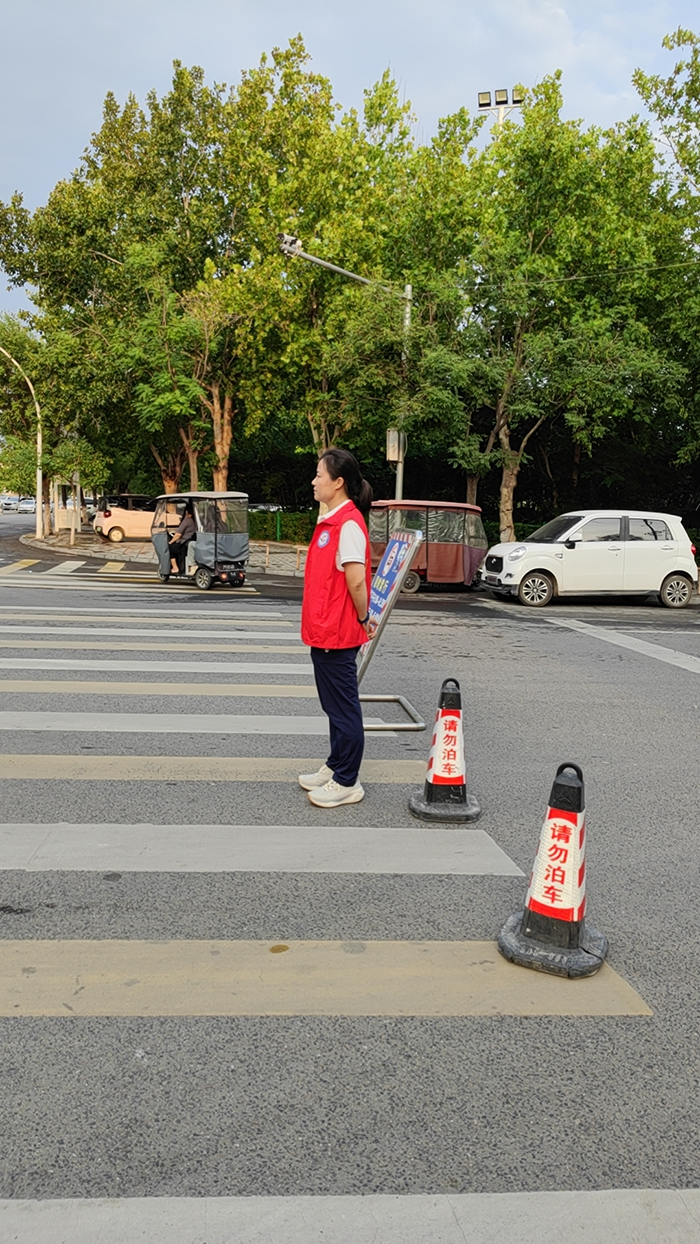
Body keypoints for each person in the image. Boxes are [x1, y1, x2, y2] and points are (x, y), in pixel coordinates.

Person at [299, 449, 378, 808]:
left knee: (345, 711)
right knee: (334, 708)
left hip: (337, 632)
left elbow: (357, 582)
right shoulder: (333, 520)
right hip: (324, 630)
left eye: (320, 475)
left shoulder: (348, 525)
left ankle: (348, 780)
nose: (314, 481)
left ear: (339, 482)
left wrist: (363, 619)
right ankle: (335, 765)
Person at [169, 502, 197, 574]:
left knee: (170, 548)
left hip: (184, 543)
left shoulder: (187, 520)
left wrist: (170, 542)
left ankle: (175, 567)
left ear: (187, 512)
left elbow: (178, 535)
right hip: (191, 541)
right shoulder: (196, 520)